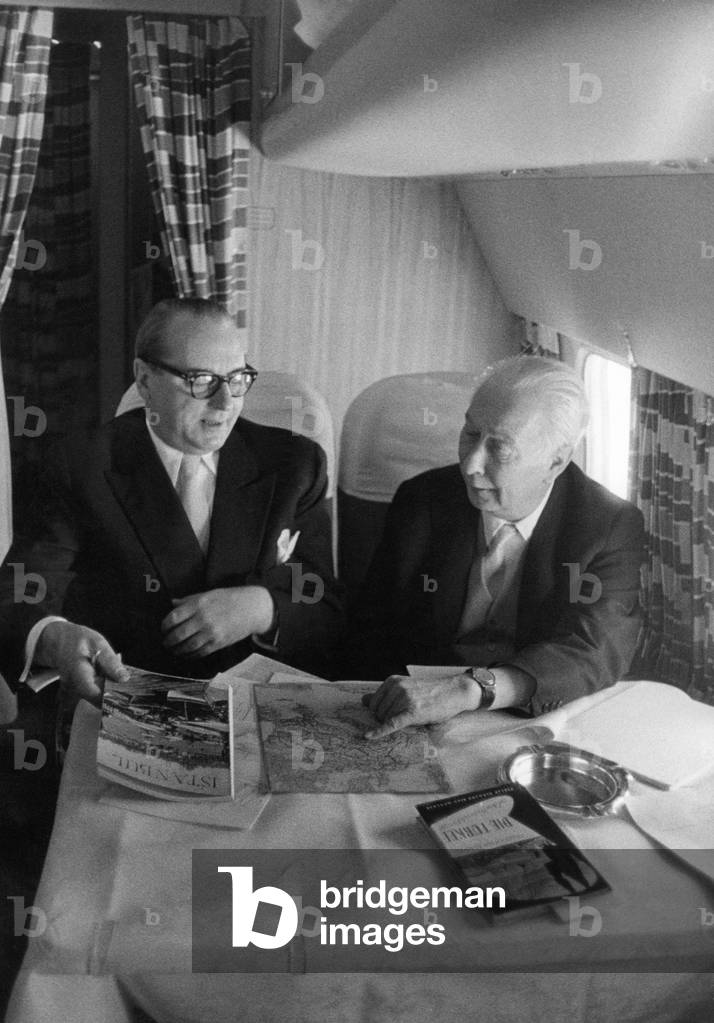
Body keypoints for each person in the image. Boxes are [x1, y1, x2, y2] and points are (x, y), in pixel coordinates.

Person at [0, 298, 341, 706]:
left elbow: (327, 605)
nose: (226, 402)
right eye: (201, 380)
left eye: (237, 378)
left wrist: (262, 609)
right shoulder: (80, 465)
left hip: (258, 702)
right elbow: (24, 588)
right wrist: (55, 638)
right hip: (126, 698)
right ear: (144, 380)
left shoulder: (294, 465)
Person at [354, 356, 645, 738]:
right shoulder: (422, 501)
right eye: (471, 434)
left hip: (531, 718)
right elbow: (369, 628)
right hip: (419, 714)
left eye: (500, 448)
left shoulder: (608, 526)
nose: (471, 464)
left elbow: (594, 651)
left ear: (557, 459)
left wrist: (469, 689)